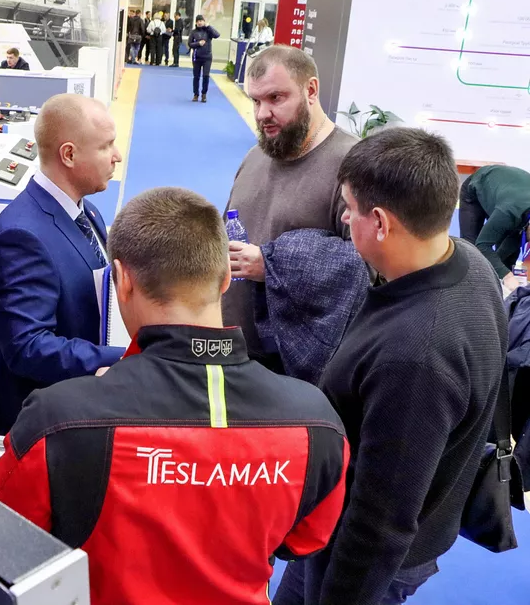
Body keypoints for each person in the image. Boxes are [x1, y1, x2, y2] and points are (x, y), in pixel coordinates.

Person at [0, 187, 350, 605]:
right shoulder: (317, 424)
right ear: (225, 279)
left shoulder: (59, 421)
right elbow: (303, 541)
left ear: (122, 280)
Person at [273, 128, 508, 605]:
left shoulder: (415, 357)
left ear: (380, 222)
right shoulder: (470, 262)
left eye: (349, 207)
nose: (344, 217)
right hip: (379, 527)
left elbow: (381, 521)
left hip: (362, 556)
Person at [0, 94, 125, 435]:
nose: (117, 155)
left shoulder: (86, 211)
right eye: (106, 146)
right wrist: (122, 358)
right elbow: (27, 347)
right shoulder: (20, 236)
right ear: (69, 154)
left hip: (77, 407)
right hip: (39, 428)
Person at [224, 46, 359, 372]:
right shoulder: (256, 156)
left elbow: (362, 267)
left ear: (310, 90)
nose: (262, 114)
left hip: (297, 370)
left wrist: (273, 265)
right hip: (233, 353)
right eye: (256, 101)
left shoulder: (353, 164)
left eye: (275, 98)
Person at [459, 164, 530, 292]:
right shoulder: (508, 212)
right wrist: (508, 276)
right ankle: (467, 292)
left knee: (506, 258)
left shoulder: (521, 221)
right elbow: (482, 246)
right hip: (477, 187)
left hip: (508, 193)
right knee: (471, 249)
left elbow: (503, 256)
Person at [188, 15, 219, 102]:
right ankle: (196, 94)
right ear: (196, 22)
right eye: (198, 21)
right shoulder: (193, 32)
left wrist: (209, 27)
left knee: (206, 76)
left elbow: (217, 35)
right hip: (197, 57)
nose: (199, 22)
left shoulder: (208, 31)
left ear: (204, 21)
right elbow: (190, 44)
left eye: (201, 20)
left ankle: (204, 94)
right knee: (196, 76)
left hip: (207, 57)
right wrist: (198, 43)